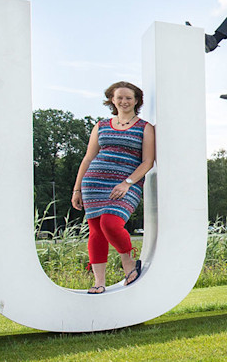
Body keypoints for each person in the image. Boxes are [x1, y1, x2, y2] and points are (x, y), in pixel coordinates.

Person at [71, 82, 155, 294]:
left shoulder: (145, 127)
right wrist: (77, 189)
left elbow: (147, 162)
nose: (124, 101)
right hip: (94, 183)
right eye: (119, 98)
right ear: (112, 100)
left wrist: (127, 183)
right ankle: (99, 282)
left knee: (110, 223)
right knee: (96, 232)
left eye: (129, 98)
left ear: (136, 101)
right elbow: (88, 158)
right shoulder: (101, 125)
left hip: (127, 184)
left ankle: (128, 262)